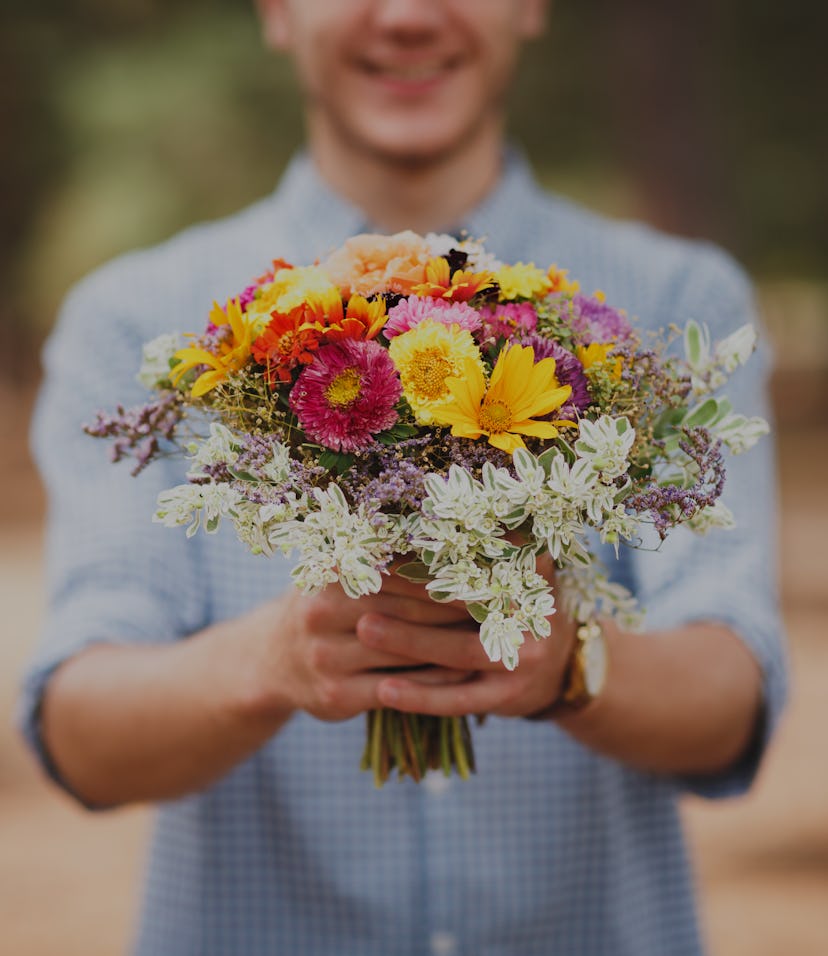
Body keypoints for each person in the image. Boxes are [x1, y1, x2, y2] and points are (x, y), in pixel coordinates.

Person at [20, 1, 786, 954]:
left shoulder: (671, 309)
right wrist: (271, 660)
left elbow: (735, 701)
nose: (410, 15)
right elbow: (80, 733)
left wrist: (569, 663)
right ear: (276, 11)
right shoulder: (143, 325)